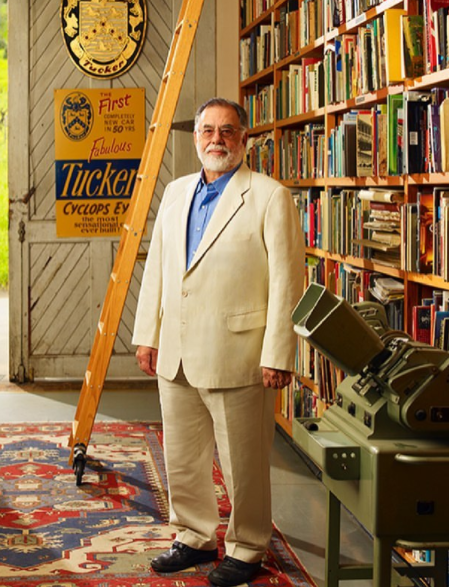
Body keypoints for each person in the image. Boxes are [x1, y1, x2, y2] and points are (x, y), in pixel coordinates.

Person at [132, 97, 305, 587]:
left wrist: (278, 354)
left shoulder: (270, 197)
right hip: (177, 352)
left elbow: (286, 282)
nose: (216, 139)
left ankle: (248, 547)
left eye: (227, 131)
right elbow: (160, 271)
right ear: (195, 138)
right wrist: (147, 336)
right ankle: (192, 536)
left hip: (240, 355)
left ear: (244, 139)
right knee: (182, 457)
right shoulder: (174, 192)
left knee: (243, 461)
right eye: (208, 130)